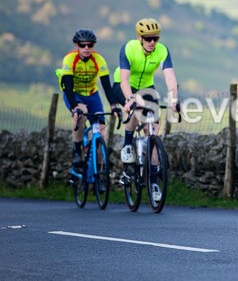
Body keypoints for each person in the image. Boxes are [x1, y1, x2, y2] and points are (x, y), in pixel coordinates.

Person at [111, 18, 179, 171]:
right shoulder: (128, 48)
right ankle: (128, 145)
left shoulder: (162, 50)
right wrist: (129, 98)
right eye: (148, 38)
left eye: (155, 38)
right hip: (123, 86)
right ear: (139, 38)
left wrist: (174, 99)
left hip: (147, 87)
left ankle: (153, 176)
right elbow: (124, 79)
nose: (152, 42)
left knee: (153, 129)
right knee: (137, 109)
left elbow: (170, 76)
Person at [56, 29, 121, 173]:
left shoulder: (99, 60)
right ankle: (77, 149)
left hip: (92, 94)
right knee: (82, 113)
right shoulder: (69, 59)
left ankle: (99, 173)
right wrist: (75, 107)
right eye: (83, 45)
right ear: (76, 45)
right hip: (74, 94)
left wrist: (114, 105)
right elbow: (67, 86)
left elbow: (107, 87)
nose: (86, 48)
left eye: (90, 45)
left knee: (101, 134)